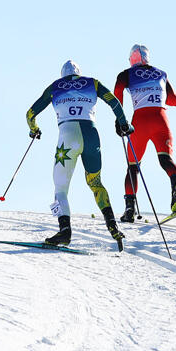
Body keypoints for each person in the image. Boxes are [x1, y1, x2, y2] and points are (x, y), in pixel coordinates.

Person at [26, 60, 134, 246]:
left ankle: (64, 231)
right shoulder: (92, 83)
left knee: (60, 189)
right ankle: (113, 227)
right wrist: (123, 123)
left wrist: (34, 129)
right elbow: (114, 102)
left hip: (67, 137)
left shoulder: (55, 86)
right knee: (96, 183)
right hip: (92, 136)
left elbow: (30, 114)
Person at [113, 44, 176, 222]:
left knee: (133, 167)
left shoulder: (125, 74)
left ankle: (129, 210)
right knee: (165, 159)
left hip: (140, 120)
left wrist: (119, 119)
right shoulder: (162, 73)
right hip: (161, 118)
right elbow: (174, 101)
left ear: (132, 59)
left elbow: (117, 93)